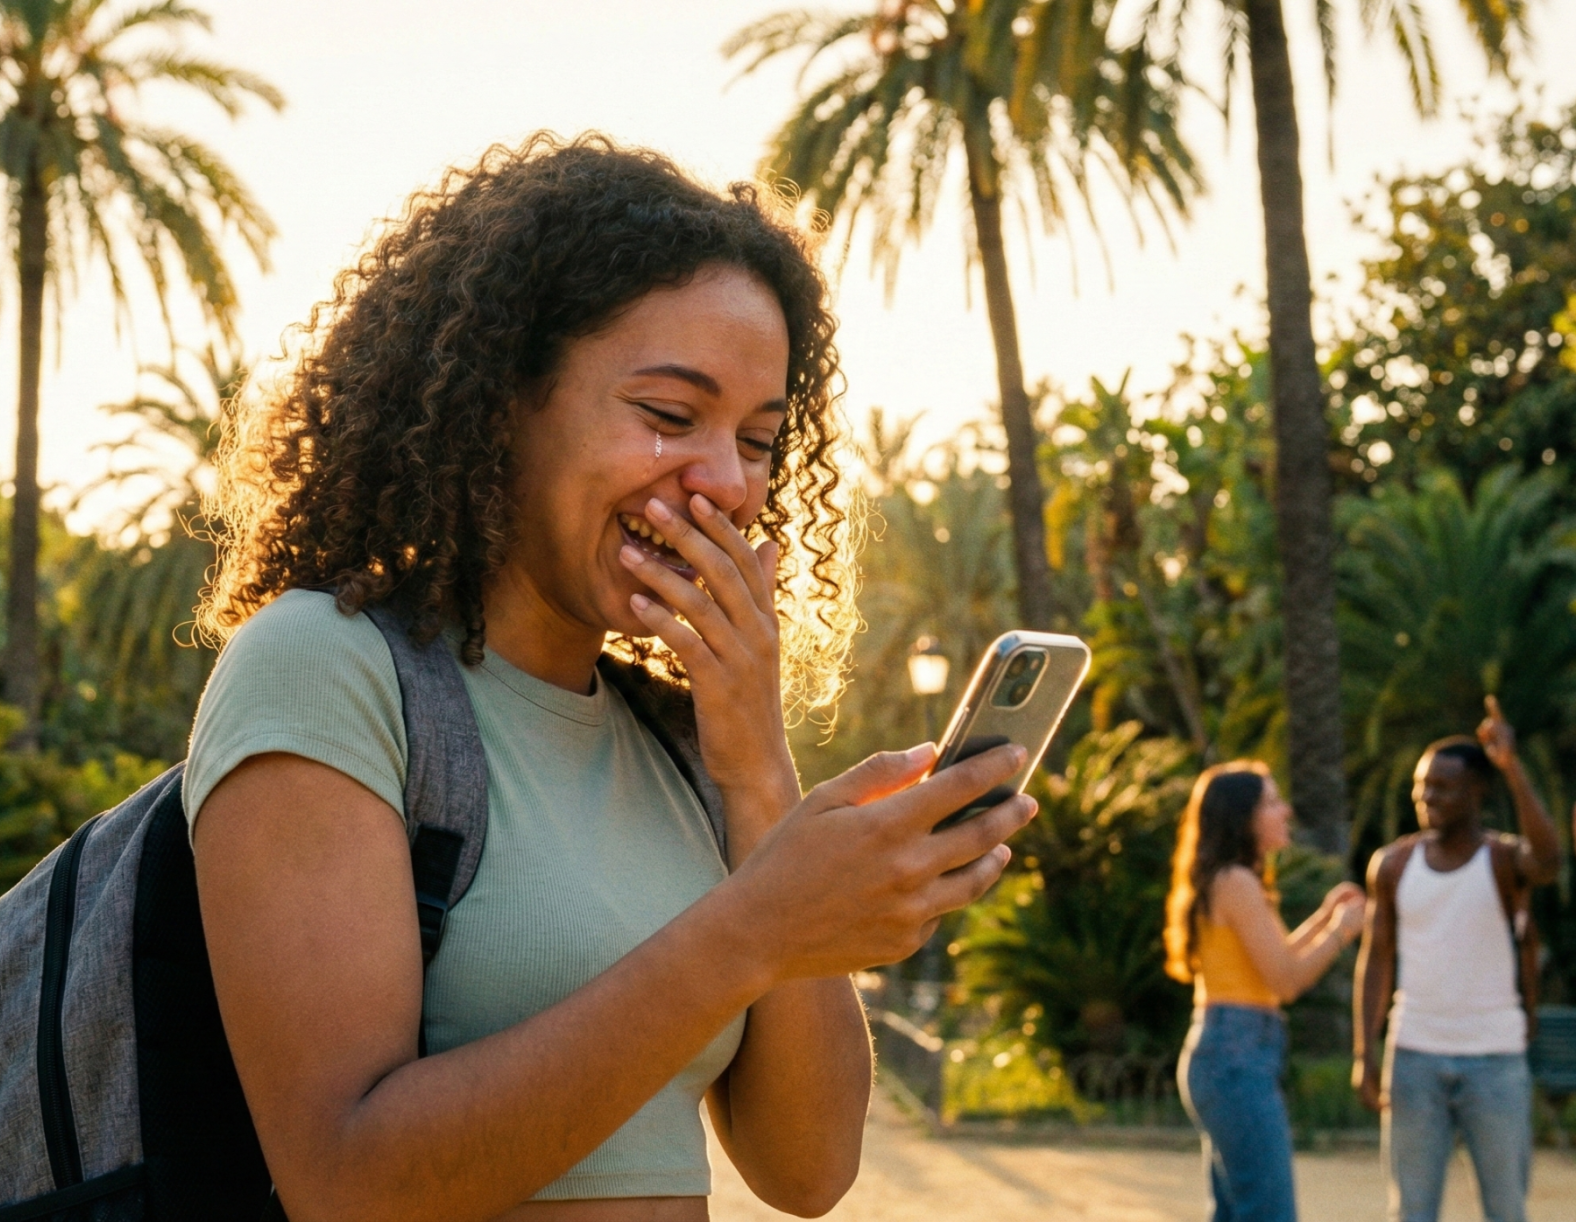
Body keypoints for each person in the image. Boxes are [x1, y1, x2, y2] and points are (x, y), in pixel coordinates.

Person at [180, 135, 1039, 1222]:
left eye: (760, 439)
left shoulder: (676, 745)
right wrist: (754, 926)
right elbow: (346, 1181)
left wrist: (757, 770)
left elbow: (808, 1168)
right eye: (669, 417)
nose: (726, 482)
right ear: (503, 403)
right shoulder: (322, 666)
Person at [1353, 697, 1560, 1222]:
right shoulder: (1394, 865)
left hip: (1496, 1059)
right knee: (1412, 1210)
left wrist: (1513, 769)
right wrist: (1365, 1051)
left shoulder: (1502, 860)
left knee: (1505, 1209)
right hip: (1415, 1055)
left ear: (1477, 793)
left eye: (1442, 788)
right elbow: (1376, 959)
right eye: (1422, 787)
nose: (1427, 797)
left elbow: (1551, 860)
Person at [1164, 761, 1368, 1222]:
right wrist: (1341, 932)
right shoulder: (1237, 882)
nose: (1286, 811)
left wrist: (1322, 919)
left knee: (1237, 1211)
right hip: (1236, 1057)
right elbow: (1286, 981)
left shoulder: (1228, 880)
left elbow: (1272, 962)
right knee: (1268, 1212)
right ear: (1244, 819)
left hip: (1224, 1054)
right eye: (1272, 803)